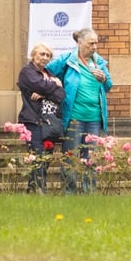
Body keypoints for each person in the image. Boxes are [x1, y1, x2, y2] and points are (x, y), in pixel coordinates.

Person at [49, 29, 112, 193]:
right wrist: (55, 81)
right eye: (91, 43)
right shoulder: (67, 59)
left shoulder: (100, 62)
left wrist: (103, 79)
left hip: (94, 118)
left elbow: (109, 86)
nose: (95, 47)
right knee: (70, 156)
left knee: (91, 157)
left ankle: (89, 192)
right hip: (74, 117)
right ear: (80, 43)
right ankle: (69, 192)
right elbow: (47, 71)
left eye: (96, 43)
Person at [17, 43, 64, 192]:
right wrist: (55, 84)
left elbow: (61, 95)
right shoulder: (26, 72)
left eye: (48, 55)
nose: (45, 58)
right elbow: (40, 86)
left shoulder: (48, 73)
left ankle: (32, 192)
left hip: (50, 122)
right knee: (38, 156)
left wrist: (45, 93)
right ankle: (40, 191)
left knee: (46, 158)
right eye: (42, 54)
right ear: (33, 55)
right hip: (34, 121)